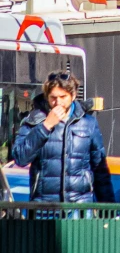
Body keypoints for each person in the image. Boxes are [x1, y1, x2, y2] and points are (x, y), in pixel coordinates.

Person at [12, 71, 114, 203]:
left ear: (73, 96)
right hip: (44, 206)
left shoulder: (88, 123)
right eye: (53, 97)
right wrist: (45, 126)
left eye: (63, 97)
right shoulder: (34, 120)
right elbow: (20, 158)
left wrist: (108, 209)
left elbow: (100, 171)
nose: (57, 102)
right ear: (46, 96)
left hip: (79, 207)